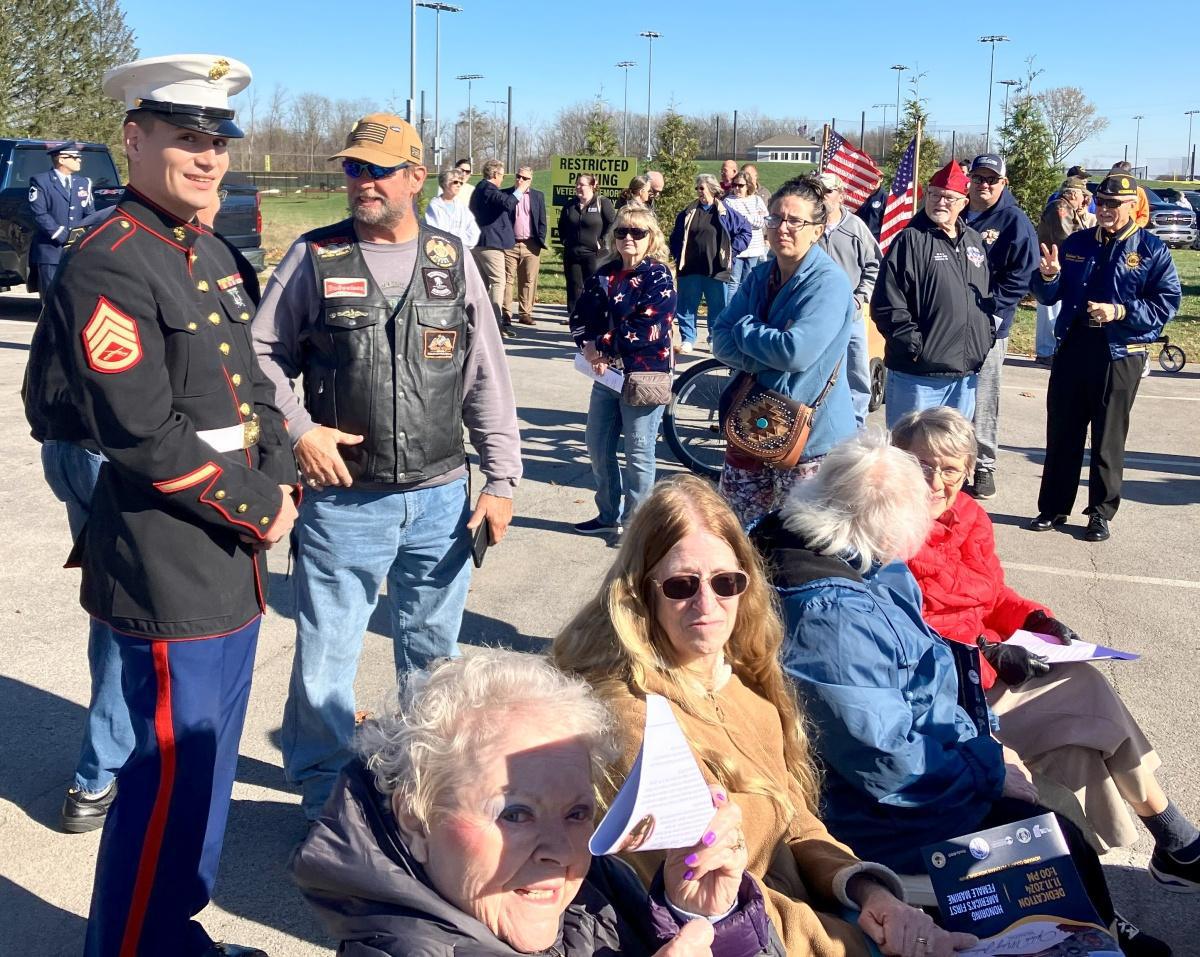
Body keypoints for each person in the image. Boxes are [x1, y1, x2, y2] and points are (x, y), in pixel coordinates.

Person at [22, 54, 300, 957]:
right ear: (133, 141)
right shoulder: (108, 264)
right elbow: (144, 435)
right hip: (173, 555)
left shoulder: (209, 249)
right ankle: (136, 944)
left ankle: (170, 929)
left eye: (216, 142)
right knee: (169, 781)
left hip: (228, 560)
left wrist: (285, 464)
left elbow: (253, 384)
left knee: (207, 775)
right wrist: (261, 505)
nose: (207, 158)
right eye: (186, 138)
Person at [757, 431, 1171, 957]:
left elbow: (929, 669)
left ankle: (1104, 921)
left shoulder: (860, 563)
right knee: (1055, 840)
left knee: (1060, 806)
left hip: (931, 768)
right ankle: (1092, 933)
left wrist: (988, 745)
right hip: (887, 820)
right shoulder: (830, 620)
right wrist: (991, 773)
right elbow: (890, 767)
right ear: (881, 527)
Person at [554, 475, 976, 957]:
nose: (707, 604)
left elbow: (796, 821)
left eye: (726, 582)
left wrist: (871, 894)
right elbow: (716, 901)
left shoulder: (745, 684)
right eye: (680, 585)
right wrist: (861, 942)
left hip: (814, 919)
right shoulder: (635, 722)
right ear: (642, 593)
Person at [250, 113, 522, 823]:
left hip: (440, 497)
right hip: (345, 500)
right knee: (326, 657)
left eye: (377, 170)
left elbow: (485, 373)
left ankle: (420, 790)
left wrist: (501, 479)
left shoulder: (452, 258)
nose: (362, 182)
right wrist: (300, 430)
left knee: (433, 656)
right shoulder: (314, 257)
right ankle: (320, 795)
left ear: (415, 176)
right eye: (352, 169)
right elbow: (258, 354)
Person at [893, 406, 1200, 891]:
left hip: (987, 679)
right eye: (919, 465)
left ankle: (1144, 858)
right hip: (943, 697)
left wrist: (1035, 618)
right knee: (1067, 744)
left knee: (1080, 714)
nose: (934, 481)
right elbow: (900, 634)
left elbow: (993, 596)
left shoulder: (970, 516)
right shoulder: (886, 531)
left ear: (969, 471)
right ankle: (1166, 851)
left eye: (949, 468)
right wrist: (985, 653)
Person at [291, 649, 774, 956]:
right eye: (515, 813)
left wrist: (701, 915)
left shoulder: (596, 892)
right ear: (415, 819)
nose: (558, 852)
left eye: (577, 813)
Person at [1028, 172, 1180, 543]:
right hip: (1075, 346)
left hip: (1119, 352)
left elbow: (1167, 302)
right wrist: (1047, 277)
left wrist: (1121, 312)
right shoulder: (1078, 242)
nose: (1107, 209)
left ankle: (1100, 513)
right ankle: (1053, 507)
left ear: (1132, 207)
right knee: (1063, 431)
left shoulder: (1150, 250)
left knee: (1108, 436)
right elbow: (1049, 295)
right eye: (1102, 202)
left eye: (1115, 203)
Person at [712, 175, 856, 527]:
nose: (782, 227)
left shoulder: (828, 284)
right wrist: (767, 349)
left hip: (811, 441)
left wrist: (746, 328)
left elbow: (795, 354)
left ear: (817, 229)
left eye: (795, 220)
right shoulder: (760, 275)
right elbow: (719, 339)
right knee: (737, 535)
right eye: (775, 218)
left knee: (801, 545)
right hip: (751, 426)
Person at [569, 205, 676, 536]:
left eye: (637, 232)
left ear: (651, 238)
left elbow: (648, 325)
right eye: (622, 232)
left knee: (639, 453)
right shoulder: (604, 273)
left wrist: (601, 346)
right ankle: (607, 514)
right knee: (597, 445)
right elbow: (580, 315)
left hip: (643, 376)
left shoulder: (658, 275)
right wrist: (588, 349)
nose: (628, 237)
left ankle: (637, 528)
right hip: (605, 375)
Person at [871, 161, 993, 429]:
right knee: (911, 458)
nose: (940, 202)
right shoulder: (910, 240)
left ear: (964, 201)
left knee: (952, 456)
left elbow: (985, 294)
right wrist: (914, 347)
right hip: (918, 376)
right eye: (935, 194)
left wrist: (987, 334)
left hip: (965, 375)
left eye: (949, 197)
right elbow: (886, 304)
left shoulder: (974, 241)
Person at [963, 154, 1039, 500]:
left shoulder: (1014, 222)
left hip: (989, 326)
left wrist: (992, 313)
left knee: (984, 396)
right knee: (953, 397)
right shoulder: (957, 213)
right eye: (979, 177)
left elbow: (1022, 275)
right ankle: (949, 464)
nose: (984, 184)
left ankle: (984, 466)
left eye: (992, 179)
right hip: (949, 324)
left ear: (1003, 183)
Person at [816, 170, 881, 427]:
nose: (822, 197)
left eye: (828, 191)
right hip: (817, 315)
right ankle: (819, 425)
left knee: (857, 371)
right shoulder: (809, 226)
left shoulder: (855, 227)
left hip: (850, 314)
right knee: (820, 371)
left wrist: (860, 297)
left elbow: (874, 264)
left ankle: (856, 426)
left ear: (841, 195)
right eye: (817, 191)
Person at [670, 173, 751, 354]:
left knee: (717, 307)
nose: (699, 192)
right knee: (687, 304)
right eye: (697, 188)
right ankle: (688, 339)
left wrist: (731, 251)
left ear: (713, 190)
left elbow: (745, 231)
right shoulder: (688, 212)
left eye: (702, 188)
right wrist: (677, 254)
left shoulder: (725, 212)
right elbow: (675, 237)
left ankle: (714, 339)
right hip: (690, 267)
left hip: (716, 269)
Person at [1034, 177, 1093, 364]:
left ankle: (1050, 350)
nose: (1084, 201)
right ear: (1074, 193)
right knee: (1050, 310)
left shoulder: (1068, 208)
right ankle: (1046, 352)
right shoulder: (1060, 208)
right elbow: (1066, 237)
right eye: (1083, 196)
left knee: (1055, 310)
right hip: (1052, 264)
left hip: (1059, 265)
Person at [27, 141, 93, 297]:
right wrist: (62, 236)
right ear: (62, 160)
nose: (79, 161)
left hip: (76, 250)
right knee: (51, 298)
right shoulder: (41, 181)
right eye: (75, 157)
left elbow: (90, 213)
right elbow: (39, 214)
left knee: (73, 297)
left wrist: (83, 236)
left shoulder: (83, 183)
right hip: (51, 250)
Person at [470, 158, 526, 338]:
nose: (502, 179)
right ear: (495, 174)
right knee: (498, 282)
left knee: (482, 284)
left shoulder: (480, 187)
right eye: (501, 175)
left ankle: (478, 322)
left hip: (480, 243)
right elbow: (508, 203)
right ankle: (495, 325)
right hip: (490, 245)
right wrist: (521, 189)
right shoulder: (488, 189)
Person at [558, 174, 617, 312]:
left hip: (595, 256)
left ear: (592, 186)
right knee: (574, 289)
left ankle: (595, 323)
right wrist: (566, 241)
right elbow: (562, 226)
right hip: (573, 255)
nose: (578, 187)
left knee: (594, 288)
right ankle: (575, 323)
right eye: (577, 184)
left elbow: (613, 225)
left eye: (582, 184)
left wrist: (602, 242)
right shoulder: (570, 205)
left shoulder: (602, 203)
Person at [502, 165, 547, 327]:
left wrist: (539, 239)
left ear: (531, 180)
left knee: (529, 280)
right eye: (518, 176)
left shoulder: (537, 196)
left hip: (531, 244)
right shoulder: (506, 194)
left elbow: (542, 220)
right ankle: (505, 313)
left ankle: (525, 313)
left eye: (525, 178)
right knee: (507, 279)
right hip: (509, 244)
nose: (520, 180)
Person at [721, 172, 769, 298]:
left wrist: (743, 217)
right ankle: (730, 312)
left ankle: (743, 310)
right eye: (735, 185)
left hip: (754, 248)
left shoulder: (757, 200)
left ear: (748, 186)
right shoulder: (728, 201)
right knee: (733, 282)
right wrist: (751, 219)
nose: (737, 188)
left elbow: (763, 221)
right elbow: (732, 225)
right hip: (736, 248)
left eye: (740, 185)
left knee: (747, 282)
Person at [424, 169, 480, 247]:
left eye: (461, 183)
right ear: (445, 183)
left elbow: (474, 231)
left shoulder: (462, 207)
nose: (459, 185)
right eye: (455, 182)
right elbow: (434, 231)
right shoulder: (434, 206)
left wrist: (460, 242)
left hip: (462, 249)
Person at [1111, 161, 1150, 227]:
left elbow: (1144, 215)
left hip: (1132, 231)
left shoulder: (1139, 191)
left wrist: (1135, 227)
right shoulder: (1108, 190)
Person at [854, 172, 887, 241]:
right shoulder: (859, 194)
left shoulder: (884, 197)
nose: (873, 181)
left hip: (874, 239)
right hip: (857, 237)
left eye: (876, 178)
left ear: (881, 179)